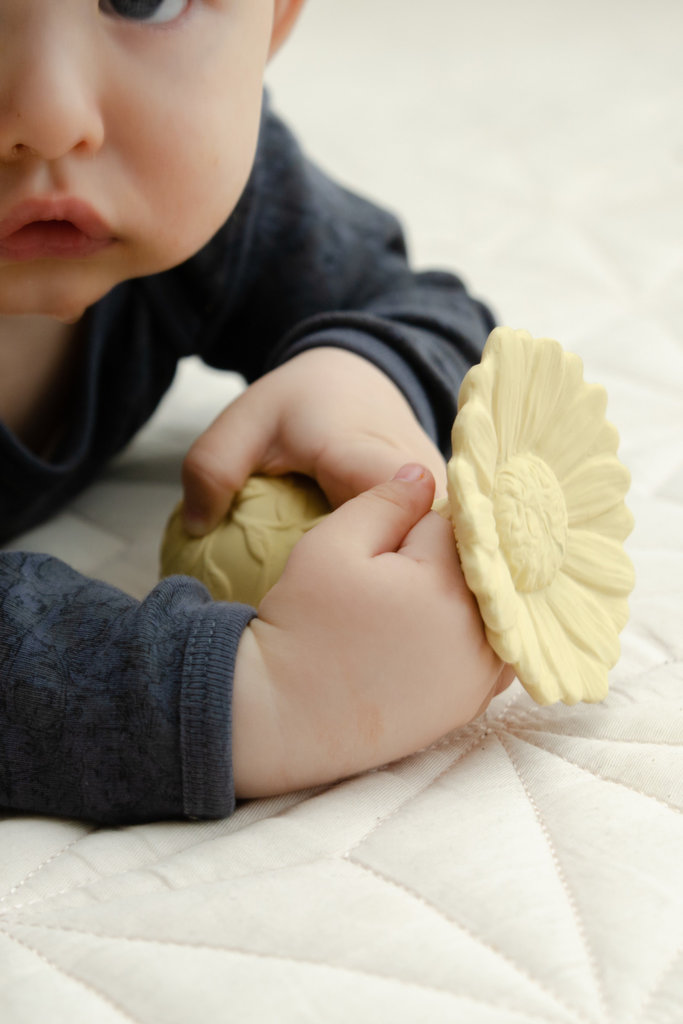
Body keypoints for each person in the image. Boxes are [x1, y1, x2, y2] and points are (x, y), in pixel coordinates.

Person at [0, 0, 513, 824]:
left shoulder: (212, 199)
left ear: (273, 21)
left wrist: (358, 370)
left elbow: (421, 309)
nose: (50, 116)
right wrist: (258, 700)